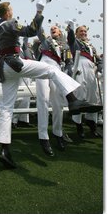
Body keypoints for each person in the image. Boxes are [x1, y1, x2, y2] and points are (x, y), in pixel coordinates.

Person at [0, 2, 102, 169]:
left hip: (4, 68)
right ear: (8, 12)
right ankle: (73, 100)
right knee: (51, 70)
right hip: (15, 62)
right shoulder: (11, 23)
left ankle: (4, 150)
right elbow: (32, 30)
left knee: (6, 108)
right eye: (11, 10)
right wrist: (39, 11)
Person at [35, 25, 73, 156]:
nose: (53, 29)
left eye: (55, 28)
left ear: (60, 32)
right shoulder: (46, 41)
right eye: (51, 28)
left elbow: (68, 61)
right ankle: (43, 137)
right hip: (42, 68)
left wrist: (69, 70)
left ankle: (58, 133)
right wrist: (39, 16)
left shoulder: (65, 46)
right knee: (43, 101)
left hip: (57, 70)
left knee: (58, 104)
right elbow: (39, 32)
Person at [67, 22, 102, 138]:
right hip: (79, 68)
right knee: (80, 95)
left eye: (85, 31)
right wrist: (71, 29)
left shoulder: (92, 47)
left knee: (93, 97)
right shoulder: (75, 43)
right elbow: (71, 39)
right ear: (77, 34)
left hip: (92, 70)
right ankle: (79, 127)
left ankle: (92, 126)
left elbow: (98, 60)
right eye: (81, 31)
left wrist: (100, 68)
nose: (83, 33)